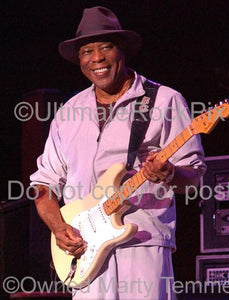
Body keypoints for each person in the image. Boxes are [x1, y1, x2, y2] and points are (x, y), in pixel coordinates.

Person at [30, 6, 206, 300]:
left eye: (105, 47)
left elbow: (195, 178)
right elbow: (43, 185)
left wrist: (170, 174)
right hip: (86, 249)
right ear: (79, 59)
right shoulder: (67, 113)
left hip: (142, 242)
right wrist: (59, 227)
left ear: (121, 50)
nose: (96, 58)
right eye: (87, 51)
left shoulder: (164, 100)